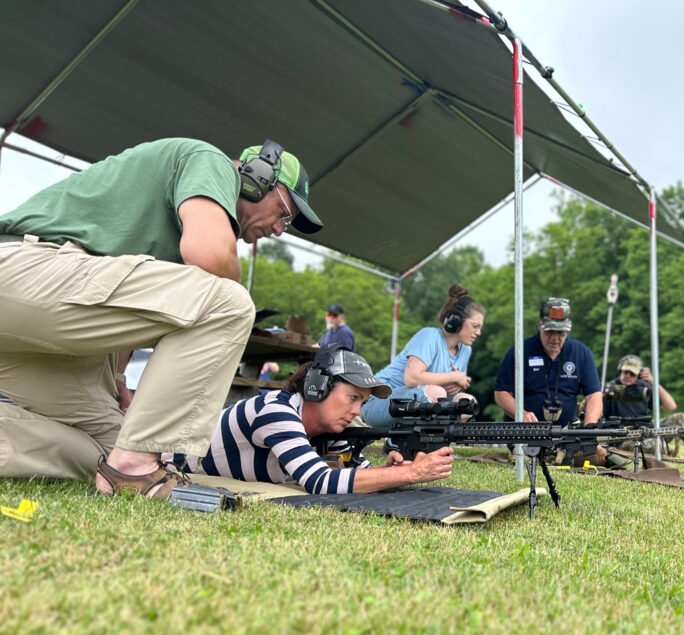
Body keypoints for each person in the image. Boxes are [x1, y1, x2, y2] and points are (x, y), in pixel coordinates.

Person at [0, 137, 322, 498]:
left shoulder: (180, 222)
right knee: (230, 302)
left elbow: (129, 310)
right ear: (257, 178)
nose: (279, 229)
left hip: (40, 306)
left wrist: (118, 378)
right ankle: (134, 467)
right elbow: (210, 257)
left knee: (109, 448)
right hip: (25, 269)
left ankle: (125, 463)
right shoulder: (210, 161)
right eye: (284, 214)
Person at [172, 346, 453, 493]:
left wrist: (391, 469)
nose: (357, 411)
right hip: (172, 465)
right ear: (318, 388)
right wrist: (411, 473)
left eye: (362, 402)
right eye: (352, 397)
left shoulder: (329, 430)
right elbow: (320, 482)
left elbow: (355, 473)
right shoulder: (274, 411)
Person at [360, 284, 486, 428]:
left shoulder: (465, 350)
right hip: (378, 402)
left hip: (416, 403)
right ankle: (400, 438)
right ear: (455, 321)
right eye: (475, 326)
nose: (478, 333)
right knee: (436, 392)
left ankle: (435, 438)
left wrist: (455, 386)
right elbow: (412, 378)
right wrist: (453, 377)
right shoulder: (429, 336)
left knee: (466, 403)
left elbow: (446, 389)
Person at [494, 297, 603, 425]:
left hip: (566, 432)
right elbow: (501, 393)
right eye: (549, 332)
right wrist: (521, 414)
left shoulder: (581, 353)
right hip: (524, 430)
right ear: (539, 324)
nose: (555, 338)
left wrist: (589, 428)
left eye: (561, 332)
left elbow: (594, 395)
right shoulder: (520, 351)